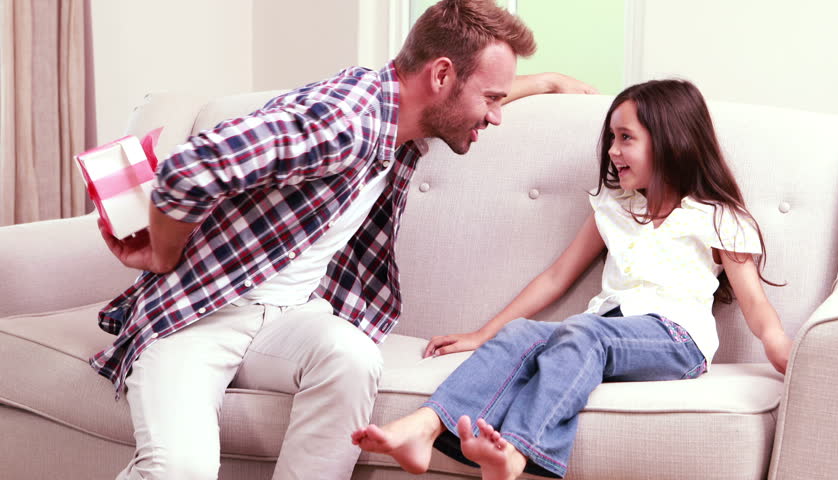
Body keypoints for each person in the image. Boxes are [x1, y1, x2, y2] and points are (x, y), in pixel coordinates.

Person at [90, 1, 597, 479]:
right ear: (440, 76)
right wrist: (163, 252)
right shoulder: (345, 121)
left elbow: (467, 89)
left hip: (288, 316)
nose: (495, 115)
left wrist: (548, 81)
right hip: (201, 313)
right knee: (180, 471)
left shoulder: (404, 113)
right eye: (491, 100)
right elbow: (190, 168)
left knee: (352, 356)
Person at [351, 79, 794, 480]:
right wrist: (484, 333)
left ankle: (520, 451)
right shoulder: (615, 209)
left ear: (670, 142)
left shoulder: (716, 217)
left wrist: (781, 347)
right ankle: (424, 426)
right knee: (523, 333)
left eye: (626, 139)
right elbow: (556, 277)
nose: (613, 151)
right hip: (604, 330)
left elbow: (755, 305)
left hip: (677, 338)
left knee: (585, 331)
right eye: (611, 139)